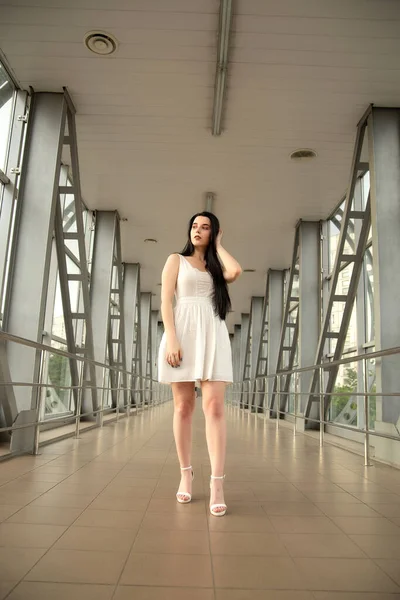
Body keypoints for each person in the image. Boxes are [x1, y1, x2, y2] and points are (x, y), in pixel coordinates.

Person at [158, 211, 242, 516]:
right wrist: (172, 339)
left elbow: (236, 270)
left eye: (205, 227)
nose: (198, 230)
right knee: (183, 407)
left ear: (213, 232)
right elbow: (166, 301)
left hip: (213, 334)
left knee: (215, 408)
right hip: (182, 332)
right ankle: (185, 473)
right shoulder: (175, 261)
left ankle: (217, 483)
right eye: (194, 225)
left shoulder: (217, 269)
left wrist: (218, 245)